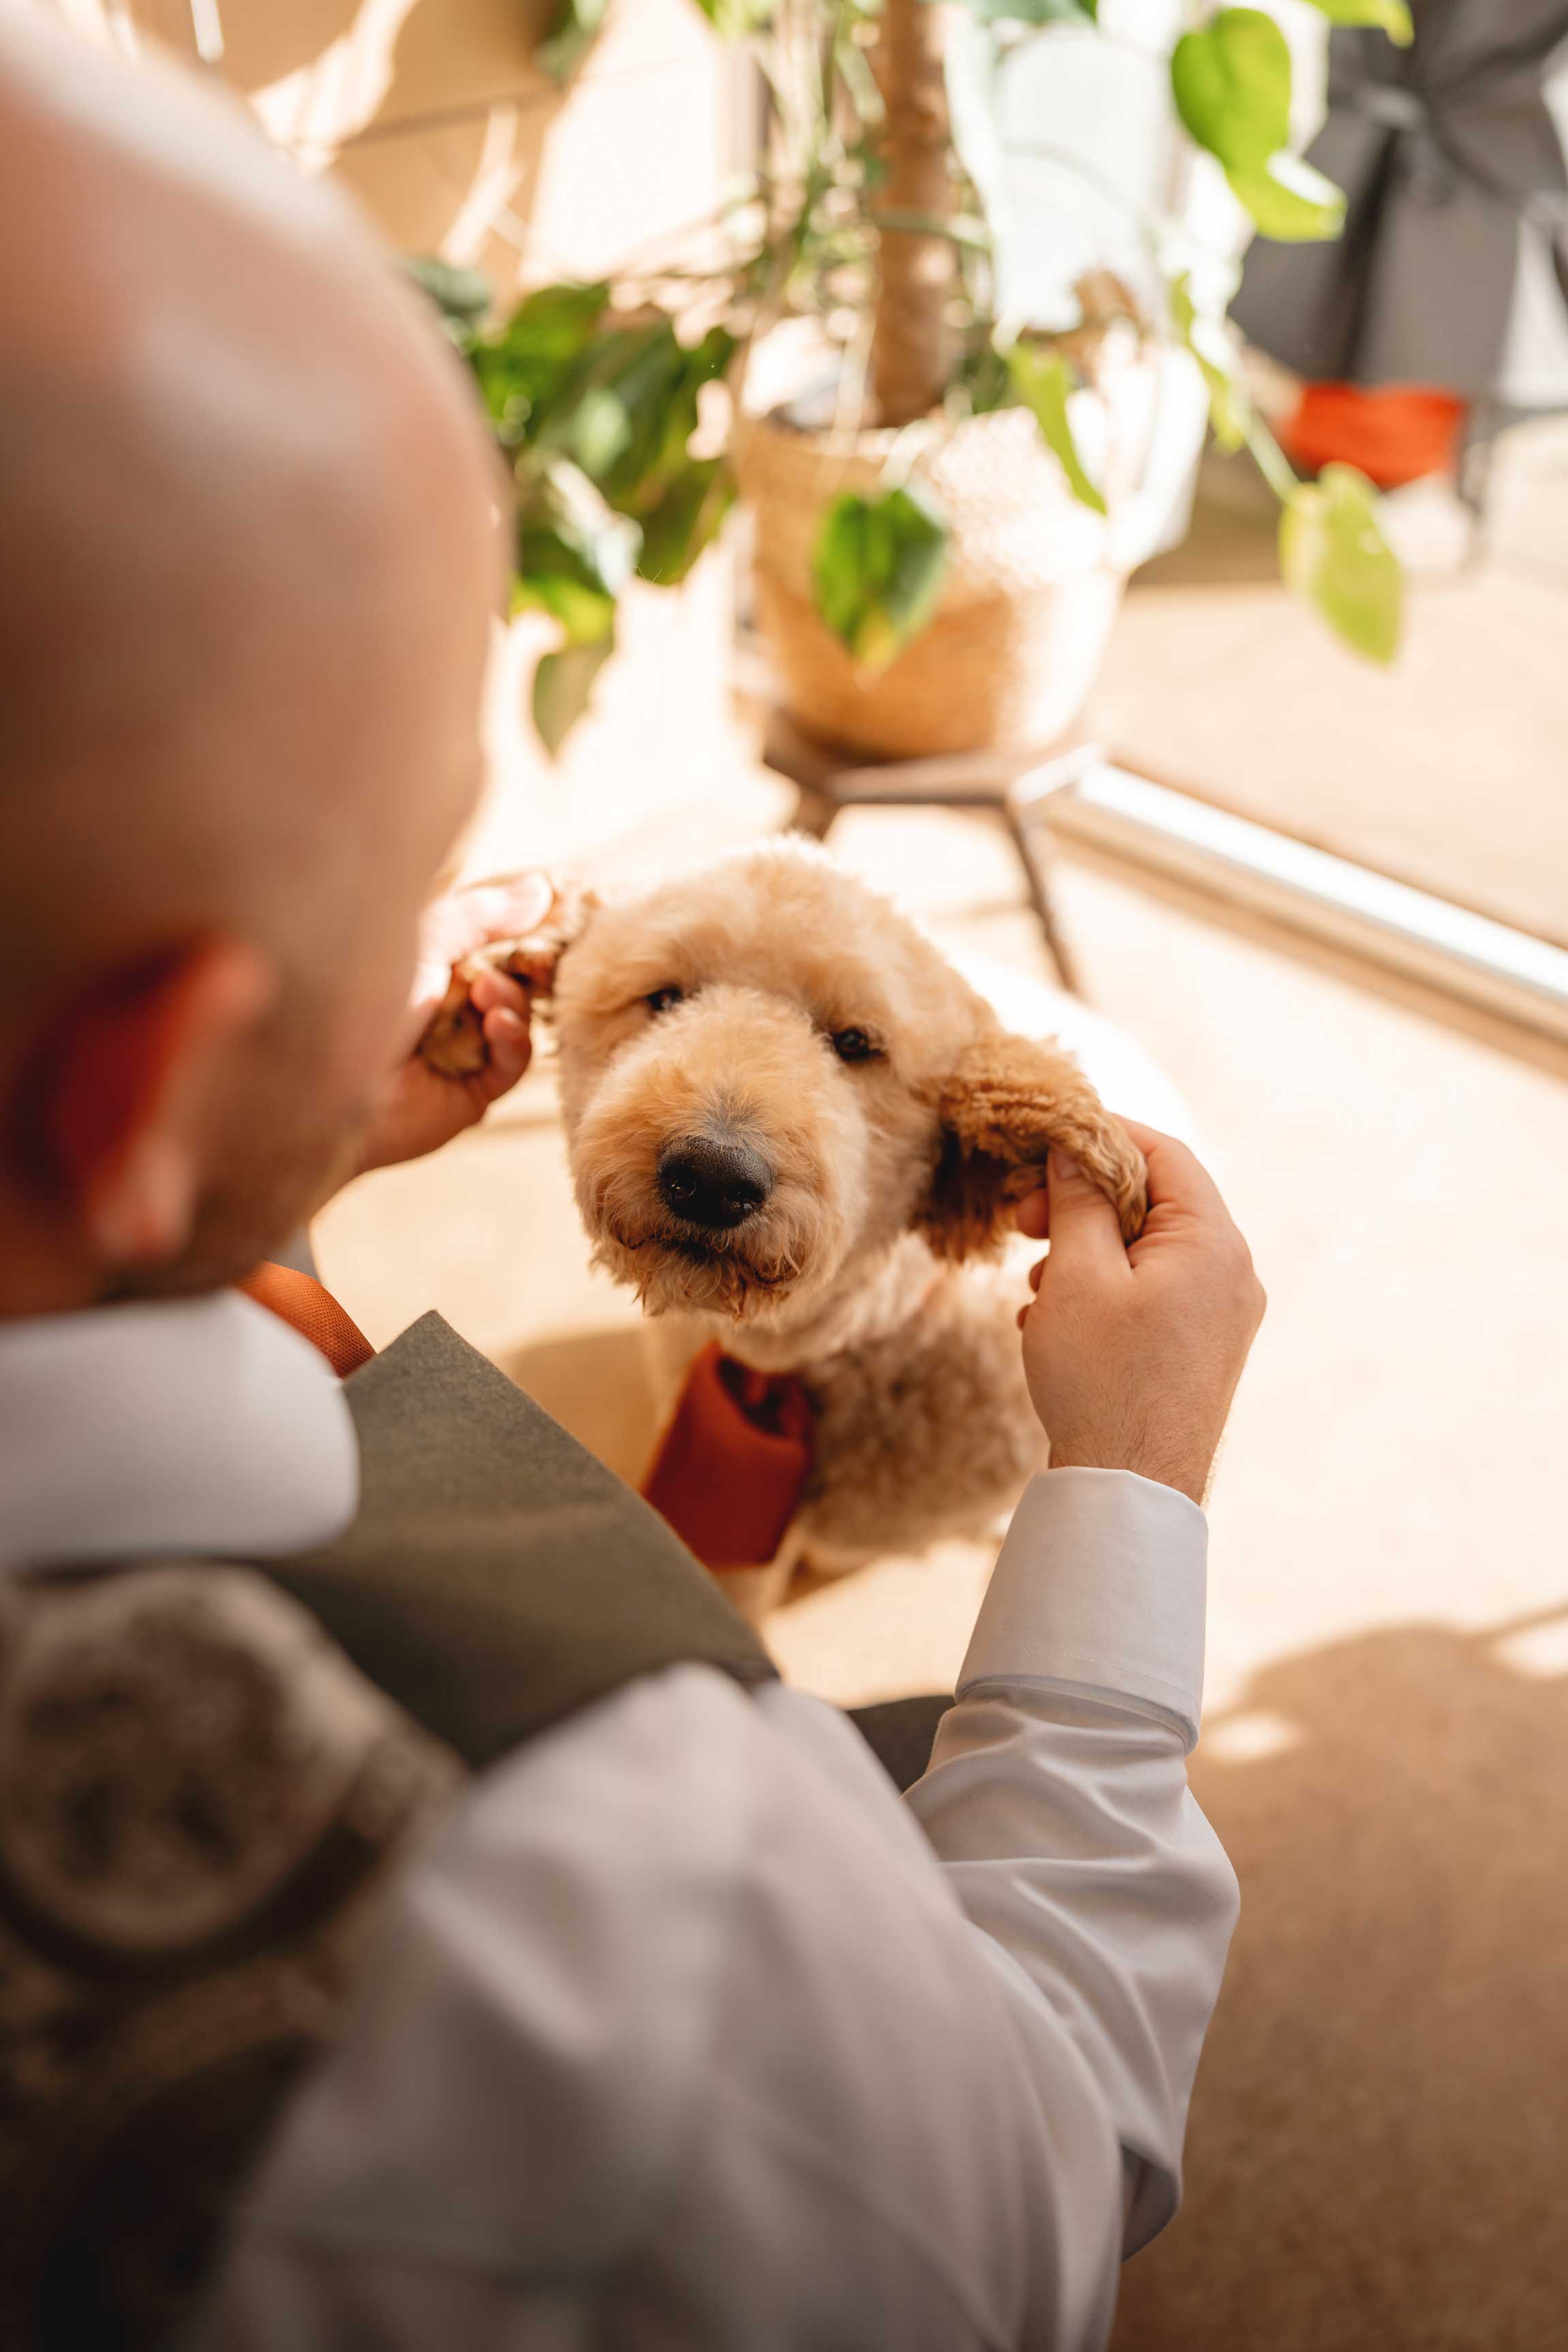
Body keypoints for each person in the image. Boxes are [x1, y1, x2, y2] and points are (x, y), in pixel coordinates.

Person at [0, 11, 1263, 2348]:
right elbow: (1034, 2185)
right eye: (394, 875)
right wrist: (1144, 1476)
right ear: (157, 1061)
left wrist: (261, 1212)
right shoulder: (612, 1864)